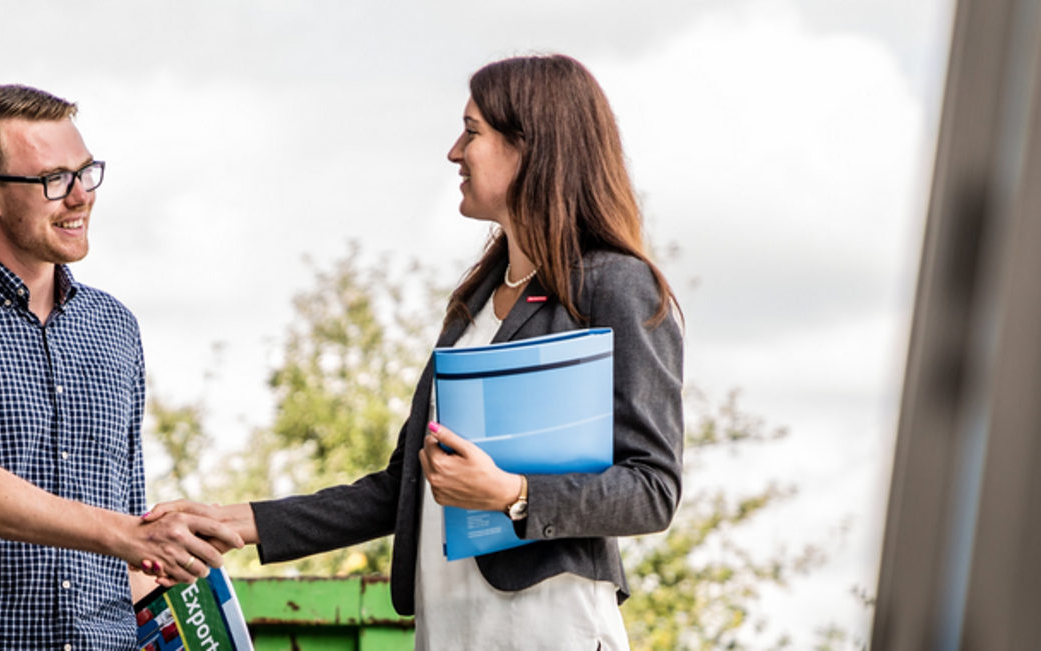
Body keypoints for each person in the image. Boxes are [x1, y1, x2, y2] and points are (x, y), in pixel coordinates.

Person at [145, 55, 683, 649]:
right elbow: (404, 485)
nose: (455, 152)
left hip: (547, 625)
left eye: (472, 131)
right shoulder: (478, 297)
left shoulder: (617, 285)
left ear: (529, 146)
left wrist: (514, 494)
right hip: (445, 623)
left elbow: (652, 488)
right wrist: (238, 521)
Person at [0, 84, 242, 651]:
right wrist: (131, 535)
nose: (79, 197)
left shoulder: (115, 327)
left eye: (86, 172)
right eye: (53, 180)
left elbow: (125, 516)